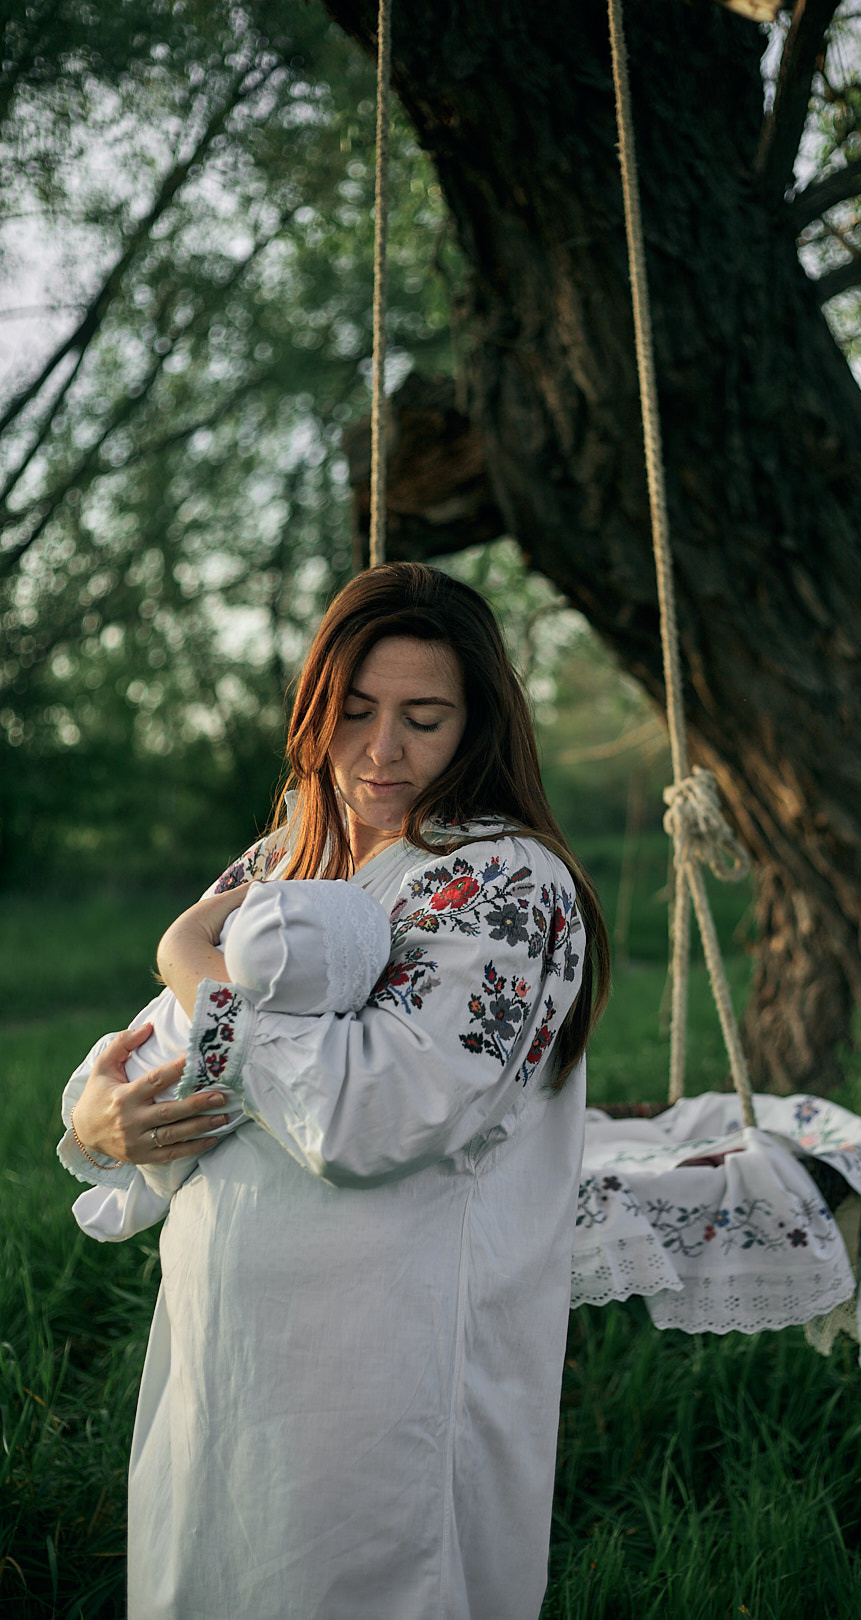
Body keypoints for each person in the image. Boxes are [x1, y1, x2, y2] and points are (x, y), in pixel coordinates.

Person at [58, 561, 610, 1620]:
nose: (381, 749)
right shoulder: (285, 853)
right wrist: (100, 1114)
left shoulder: (501, 881)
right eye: (353, 710)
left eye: (424, 717)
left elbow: (370, 1118)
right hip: (226, 1354)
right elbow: (148, 1047)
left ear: (477, 724)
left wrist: (195, 963)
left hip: (383, 1368)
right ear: (315, 706)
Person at [64, 879, 391, 1242]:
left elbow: (350, 1124)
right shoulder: (272, 859)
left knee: (179, 1138)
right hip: (197, 1260)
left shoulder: (453, 887)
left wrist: (179, 947)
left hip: (331, 1258)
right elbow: (181, 985)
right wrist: (90, 1124)